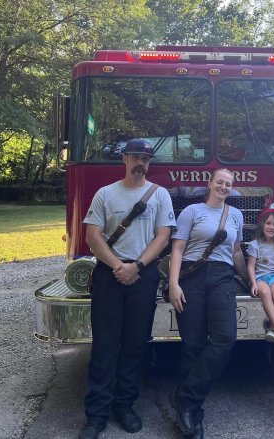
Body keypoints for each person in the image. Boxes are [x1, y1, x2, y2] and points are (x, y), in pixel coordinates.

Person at [79, 139, 176, 439]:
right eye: (135, 156)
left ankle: (125, 406)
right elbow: (92, 236)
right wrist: (118, 266)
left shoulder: (159, 195)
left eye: (145, 158)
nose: (140, 162)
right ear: (124, 159)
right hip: (110, 275)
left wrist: (137, 267)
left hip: (142, 275)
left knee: (135, 345)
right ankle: (96, 416)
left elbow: (163, 238)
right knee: (105, 346)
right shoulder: (105, 194)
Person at [167, 168, 248, 439]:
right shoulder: (191, 211)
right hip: (191, 276)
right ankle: (193, 412)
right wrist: (174, 283)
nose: (224, 186)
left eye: (228, 184)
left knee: (225, 338)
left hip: (222, 277)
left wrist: (251, 280)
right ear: (210, 184)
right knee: (194, 343)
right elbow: (177, 248)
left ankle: (184, 398)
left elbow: (236, 252)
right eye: (220, 182)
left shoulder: (235, 215)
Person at [247, 208, 274, 352]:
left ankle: (272, 328)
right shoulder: (254, 244)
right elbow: (251, 266)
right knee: (265, 292)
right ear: (262, 225)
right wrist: (253, 283)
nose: (271, 227)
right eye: (268, 223)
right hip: (260, 277)